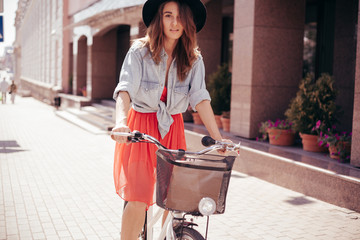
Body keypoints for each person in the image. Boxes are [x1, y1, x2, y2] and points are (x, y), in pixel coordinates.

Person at [111, 0, 229, 239]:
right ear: (159, 19)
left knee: (173, 197)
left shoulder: (194, 59)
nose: (175, 23)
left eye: (180, 16)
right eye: (168, 15)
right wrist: (121, 122)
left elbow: (200, 98)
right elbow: (125, 89)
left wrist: (218, 140)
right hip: (141, 126)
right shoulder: (139, 52)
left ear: (188, 22)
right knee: (138, 196)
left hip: (173, 128)